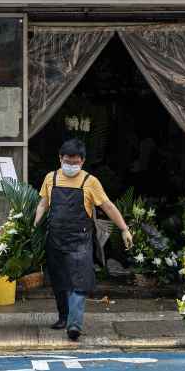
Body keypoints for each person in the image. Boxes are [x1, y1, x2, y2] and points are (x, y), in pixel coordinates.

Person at [34, 139, 133, 342]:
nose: (71, 165)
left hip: (79, 241)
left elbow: (108, 206)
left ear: (83, 161)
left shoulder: (90, 182)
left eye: (75, 162)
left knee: (79, 283)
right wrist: (34, 224)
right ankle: (63, 317)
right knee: (59, 282)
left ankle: (74, 325)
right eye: (67, 161)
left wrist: (124, 229)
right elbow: (43, 204)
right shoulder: (50, 178)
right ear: (60, 158)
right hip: (55, 239)